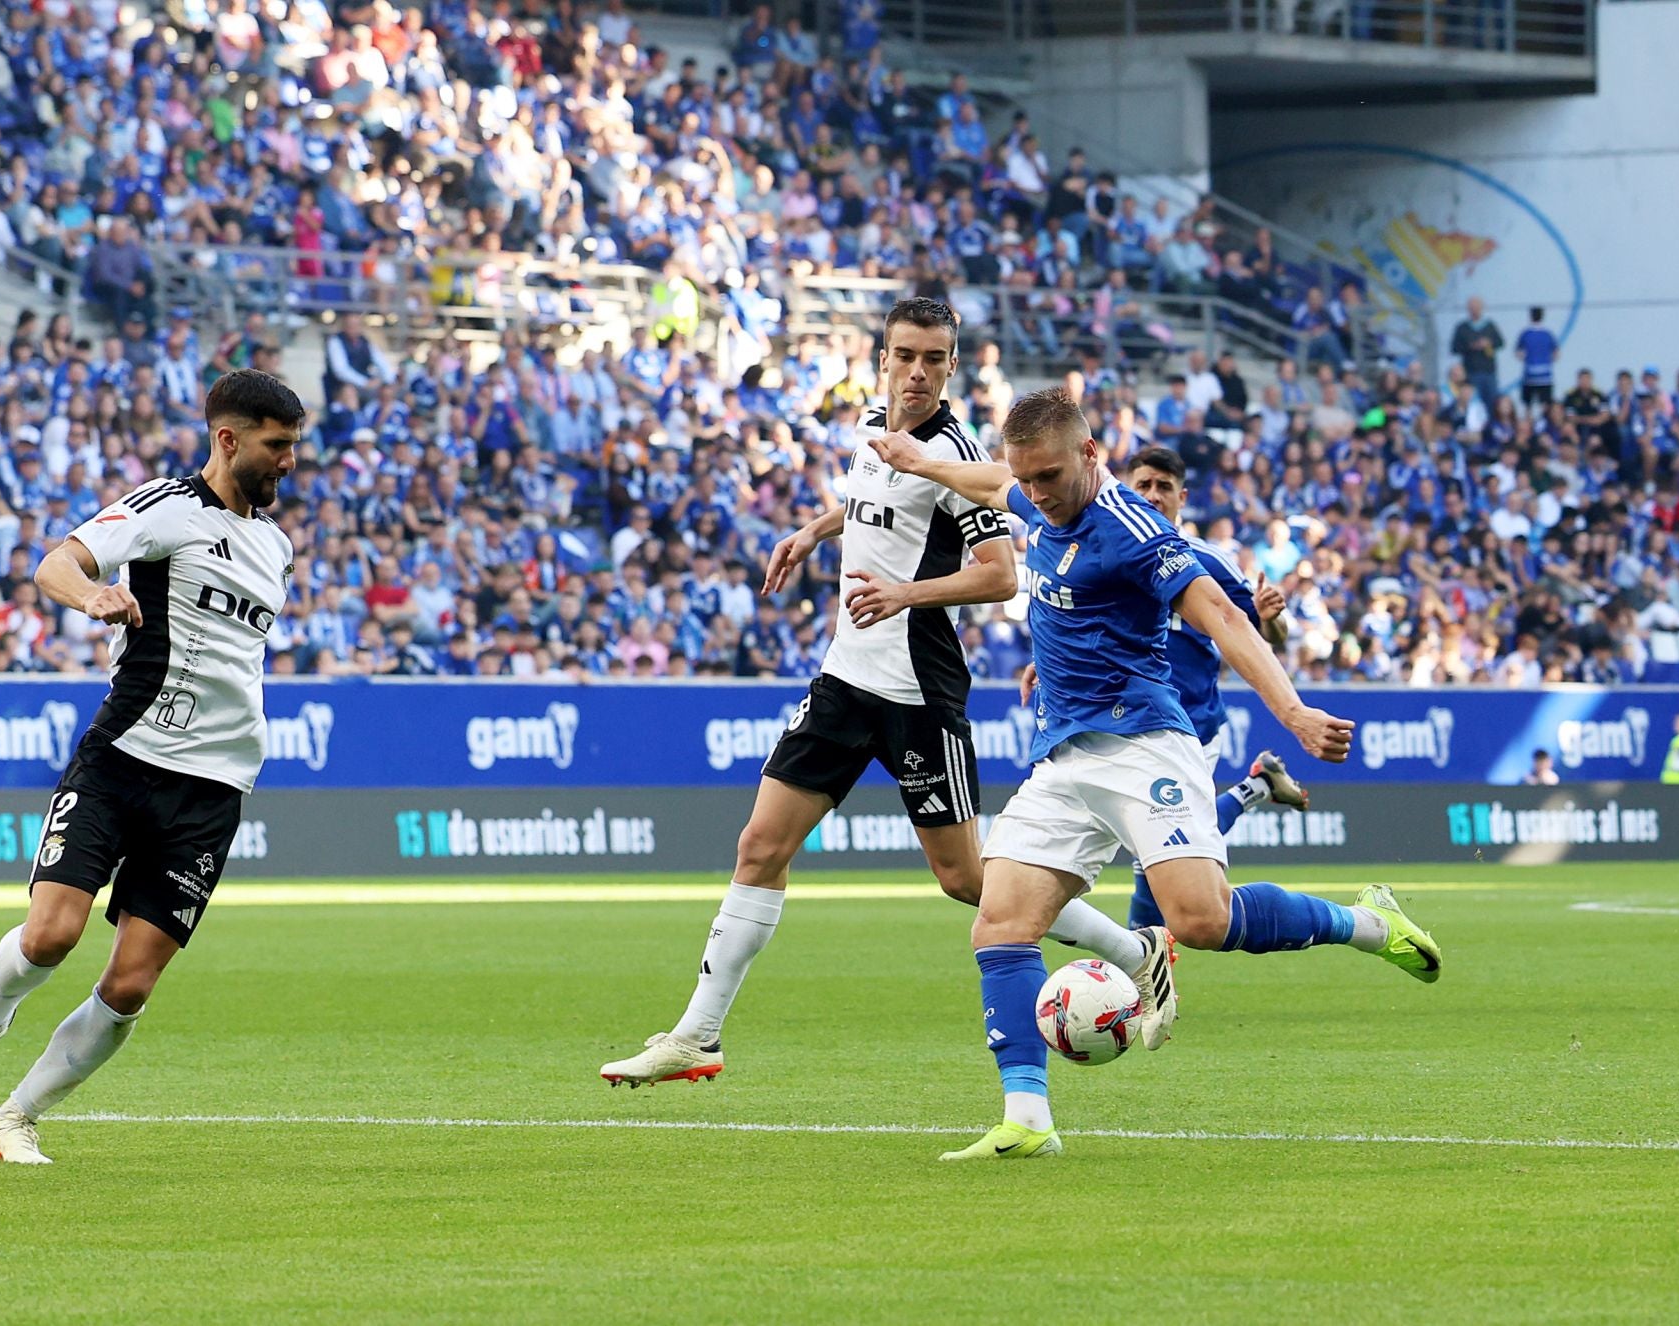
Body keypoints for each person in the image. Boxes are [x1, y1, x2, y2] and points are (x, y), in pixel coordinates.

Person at [872, 388, 1442, 1161]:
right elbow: (992, 488)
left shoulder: (1135, 530)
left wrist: (1294, 711)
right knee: (999, 921)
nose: (1034, 494)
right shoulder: (1040, 498)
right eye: (1026, 480)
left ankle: (1371, 923)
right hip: (1063, 760)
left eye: (1046, 478)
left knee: (1200, 922)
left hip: (1144, 745)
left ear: (1090, 456)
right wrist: (920, 461)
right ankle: (1028, 1118)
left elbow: (1224, 616)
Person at [598, 301, 1155, 1088]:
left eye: (934, 358)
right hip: (843, 679)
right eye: (905, 356)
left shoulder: (958, 453)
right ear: (883, 359)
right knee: (760, 846)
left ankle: (1135, 951)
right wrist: (817, 529)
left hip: (916, 692)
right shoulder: (871, 422)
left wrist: (904, 593)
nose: (918, 372)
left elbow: (999, 575)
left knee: (966, 880)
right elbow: (877, 502)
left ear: (952, 365)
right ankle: (698, 1035)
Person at [0, 370, 303, 1164]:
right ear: (229, 439)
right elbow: (59, 563)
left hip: (214, 787)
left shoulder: (276, 545)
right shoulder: (166, 507)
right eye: (277, 446)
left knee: (130, 986)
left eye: (293, 446)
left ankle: (13, 1118)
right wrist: (93, 597)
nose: (288, 462)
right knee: (52, 935)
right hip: (124, 759)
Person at [1107, 447, 1312, 929]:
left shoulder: (1206, 561)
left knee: (1159, 858)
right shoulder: (1110, 553)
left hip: (1192, 729)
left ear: (1183, 496)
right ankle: (1256, 787)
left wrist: (1269, 618)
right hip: (1129, 726)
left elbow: (1268, 637)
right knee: (1168, 849)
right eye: (1143, 485)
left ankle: (1145, 980)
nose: (1153, 495)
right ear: (1125, 489)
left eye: (1163, 487)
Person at [1514, 306, 1558, 412]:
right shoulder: (1547, 334)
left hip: (1530, 374)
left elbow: (1518, 352)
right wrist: (1547, 361)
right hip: (1545, 374)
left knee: (1528, 405)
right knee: (1545, 404)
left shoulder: (1525, 334)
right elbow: (1556, 353)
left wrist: (1528, 360)